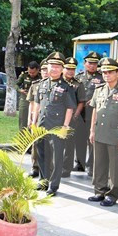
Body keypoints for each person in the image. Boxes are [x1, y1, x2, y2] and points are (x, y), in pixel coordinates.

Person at [88, 58, 118, 207]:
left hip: (116, 134)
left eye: (110, 72)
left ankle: (112, 194)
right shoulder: (99, 89)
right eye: (104, 72)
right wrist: (92, 130)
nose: (106, 75)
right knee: (99, 164)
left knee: (115, 166)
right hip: (100, 132)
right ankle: (99, 190)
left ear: (117, 73)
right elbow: (95, 110)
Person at [32, 52, 76, 196]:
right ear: (47, 66)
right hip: (42, 125)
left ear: (62, 69)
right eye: (52, 66)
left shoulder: (66, 86)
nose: (54, 69)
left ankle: (54, 185)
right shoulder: (42, 84)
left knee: (57, 157)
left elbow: (70, 108)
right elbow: (37, 104)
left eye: (58, 66)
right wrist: (33, 123)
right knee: (42, 154)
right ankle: (43, 180)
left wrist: (65, 127)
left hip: (57, 127)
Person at [76, 51, 103, 176]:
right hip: (80, 114)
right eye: (90, 63)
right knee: (80, 139)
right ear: (85, 63)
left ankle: (91, 165)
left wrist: (93, 100)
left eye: (95, 63)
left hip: (94, 114)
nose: (92, 66)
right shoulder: (79, 77)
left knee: (92, 140)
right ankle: (80, 163)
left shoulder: (102, 78)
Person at [61, 57, 87, 177]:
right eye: (68, 69)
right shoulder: (58, 81)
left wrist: (76, 115)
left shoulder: (78, 84)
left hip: (72, 118)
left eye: (73, 69)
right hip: (57, 116)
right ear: (63, 68)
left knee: (69, 144)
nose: (71, 71)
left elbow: (82, 101)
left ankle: (66, 169)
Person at [26, 59, 48, 177]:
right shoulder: (35, 85)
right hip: (36, 118)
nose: (45, 72)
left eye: (46, 69)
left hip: (49, 119)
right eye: (43, 69)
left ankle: (47, 170)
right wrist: (30, 119)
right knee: (35, 144)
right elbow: (31, 103)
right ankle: (35, 168)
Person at [17, 61, 40, 134]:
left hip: (36, 100)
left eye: (33, 73)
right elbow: (16, 85)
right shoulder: (24, 75)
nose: (31, 74)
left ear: (37, 70)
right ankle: (22, 139)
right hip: (24, 99)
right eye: (30, 72)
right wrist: (20, 90)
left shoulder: (41, 76)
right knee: (23, 120)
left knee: (35, 119)